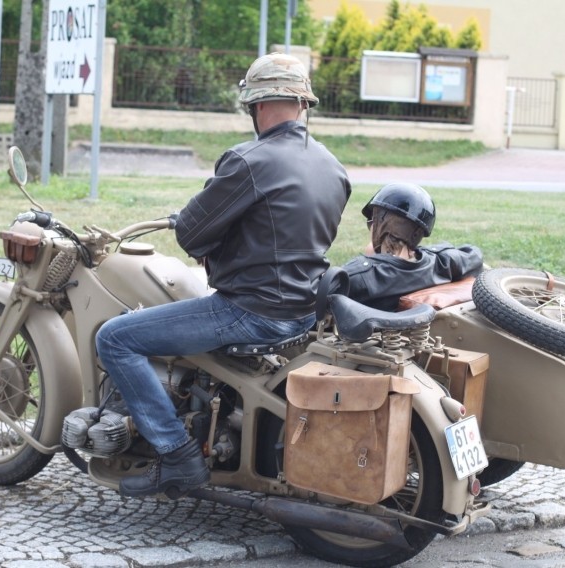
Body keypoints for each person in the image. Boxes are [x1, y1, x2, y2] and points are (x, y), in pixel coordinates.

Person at [95, 53, 351, 499]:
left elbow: (193, 233)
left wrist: (187, 224)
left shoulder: (249, 160)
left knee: (115, 339)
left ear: (256, 105)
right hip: (301, 310)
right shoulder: (333, 167)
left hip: (249, 311)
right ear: (302, 104)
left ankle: (177, 456)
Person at [342, 183, 483, 311]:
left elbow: (323, 298)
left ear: (380, 226)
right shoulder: (442, 263)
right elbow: (475, 255)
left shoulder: (359, 278)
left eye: (372, 221)